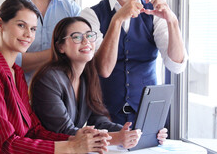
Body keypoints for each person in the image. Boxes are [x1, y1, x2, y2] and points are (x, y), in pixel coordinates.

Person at [0, 0, 109, 154]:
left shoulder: (16, 71)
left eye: (33, 29)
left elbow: (33, 130)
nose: (28, 34)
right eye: (21, 25)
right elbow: (5, 144)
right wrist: (71, 147)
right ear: (0, 24)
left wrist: (74, 138)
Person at [80, 0, 188, 125]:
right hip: (104, 116)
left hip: (148, 116)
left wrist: (172, 21)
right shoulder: (90, 15)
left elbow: (176, 66)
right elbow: (103, 69)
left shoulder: (154, 13)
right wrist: (117, 20)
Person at [30, 16, 167, 149]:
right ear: (60, 47)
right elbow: (64, 131)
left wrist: (134, 133)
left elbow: (98, 119)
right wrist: (117, 138)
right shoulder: (48, 79)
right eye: (77, 37)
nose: (86, 41)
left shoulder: (87, 76)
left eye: (89, 35)